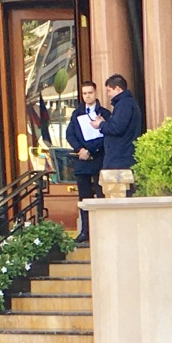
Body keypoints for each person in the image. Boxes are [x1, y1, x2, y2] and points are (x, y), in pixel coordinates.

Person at [66, 80, 105, 244]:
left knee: (101, 194)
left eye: (90, 92)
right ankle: (85, 231)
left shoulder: (105, 113)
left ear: (95, 93)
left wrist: (91, 150)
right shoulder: (77, 113)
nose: (87, 96)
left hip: (98, 159)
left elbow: (107, 135)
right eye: (84, 93)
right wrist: (80, 149)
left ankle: (102, 230)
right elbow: (70, 134)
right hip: (82, 161)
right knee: (84, 198)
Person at [90, 73, 142, 194]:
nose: (108, 95)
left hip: (120, 160)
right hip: (121, 157)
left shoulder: (124, 104)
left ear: (118, 89)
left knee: (118, 197)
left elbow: (117, 128)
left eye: (109, 91)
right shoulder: (126, 104)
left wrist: (101, 125)